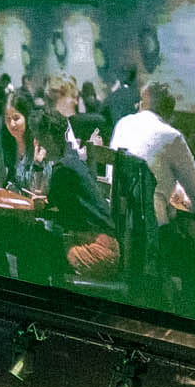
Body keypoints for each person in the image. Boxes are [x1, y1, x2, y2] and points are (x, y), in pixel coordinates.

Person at [28, 114, 121, 278]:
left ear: (48, 137)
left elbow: (48, 206)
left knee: (32, 243)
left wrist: (38, 165)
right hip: (105, 247)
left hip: (95, 251)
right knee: (39, 240)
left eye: (38, 137)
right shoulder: (72, 163)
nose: (36, 142)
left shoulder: (63, 170)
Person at [109, 83, 195, 221]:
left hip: (114, 218)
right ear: (169, 114)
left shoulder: (122, 124)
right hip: (150, 226)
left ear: (141, 105)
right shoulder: (172, 137)